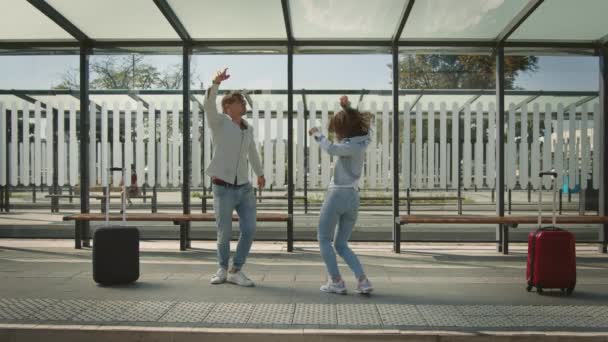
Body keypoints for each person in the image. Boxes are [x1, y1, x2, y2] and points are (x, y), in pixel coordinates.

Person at [204, 68, 265, 287]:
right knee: (225, 231)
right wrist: (215, 83)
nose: (244, 104)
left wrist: (260, 173)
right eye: (240, 101)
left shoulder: (246, 129)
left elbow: (252, 152)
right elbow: (208, 105)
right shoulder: (218, 122)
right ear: (228, 106)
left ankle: (235, 269)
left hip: (244, 189)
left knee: (249, 230)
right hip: (222, 187)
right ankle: (221, 268)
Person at [308, 95, 373, 295]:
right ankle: (362, 280)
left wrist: (318, 135)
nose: (335, 133)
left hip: (337, 194)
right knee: (341, 244)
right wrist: (347, 108)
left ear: (344, 130)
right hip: (353, 198)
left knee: (323, 238)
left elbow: (332, 149)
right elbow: (354, 128)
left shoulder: (347, 146)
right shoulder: (364, 141)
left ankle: (336, 282)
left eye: (336, 129)